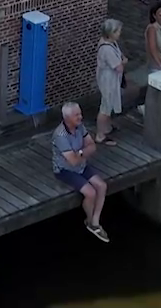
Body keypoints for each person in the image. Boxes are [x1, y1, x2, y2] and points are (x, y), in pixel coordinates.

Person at [51, 102, 111, 241]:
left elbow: (92, 146)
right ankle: (90, 221)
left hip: (81, 166)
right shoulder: (60, 136)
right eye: (76, 115)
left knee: (102, 186)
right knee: (90, 193)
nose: (80, 117)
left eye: (80, 113)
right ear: (67, 118)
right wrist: (83, 152)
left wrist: (80, 153)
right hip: (65, 170)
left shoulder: (80, 127)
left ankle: (95, 222)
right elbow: (72, 161)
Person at [93, 19, 125, 143]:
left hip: (108, 78)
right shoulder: (107, 49)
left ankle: (107, 127)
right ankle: (100, 134)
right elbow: (118, 67)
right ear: (111, 33)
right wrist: (123, 62)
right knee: (105, 107)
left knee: (108, 104)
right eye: (117, 31)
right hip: (108, 80)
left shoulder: (110, 43)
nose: (119, 34)